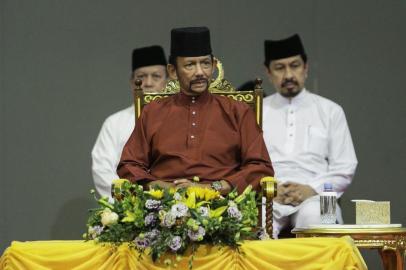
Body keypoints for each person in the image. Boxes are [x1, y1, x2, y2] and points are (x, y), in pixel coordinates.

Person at [117, 27, 274, 194]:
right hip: (163, 206)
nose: (200, 72)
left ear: (213, 66)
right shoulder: (154, 111)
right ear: (172, 71)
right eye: (190, 65)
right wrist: (161, 187)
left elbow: (260, 166)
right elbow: (129, 165)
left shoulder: (237, 110)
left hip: (223, 206)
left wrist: (213, 188)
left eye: (205, 63)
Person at [262, 34, 358, 238]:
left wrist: (311, 189)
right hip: (270, 194)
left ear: (305, 67)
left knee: (319, 218)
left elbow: (345, 167)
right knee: (252, 223)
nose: (288, 74)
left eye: (294, 65)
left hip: (320, 194)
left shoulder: (331, 110)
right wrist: (271, 189)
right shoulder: (256, 113)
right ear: (268, 73)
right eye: (279, 68)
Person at [92, 45, 168, 197]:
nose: (148, 83)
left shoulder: (180, 118)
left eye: (156, 76)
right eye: (141, 77)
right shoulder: (115, 123)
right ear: (132, 82)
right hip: (130, 209)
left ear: (169, 80)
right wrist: (131, 201)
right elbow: (102, 170)